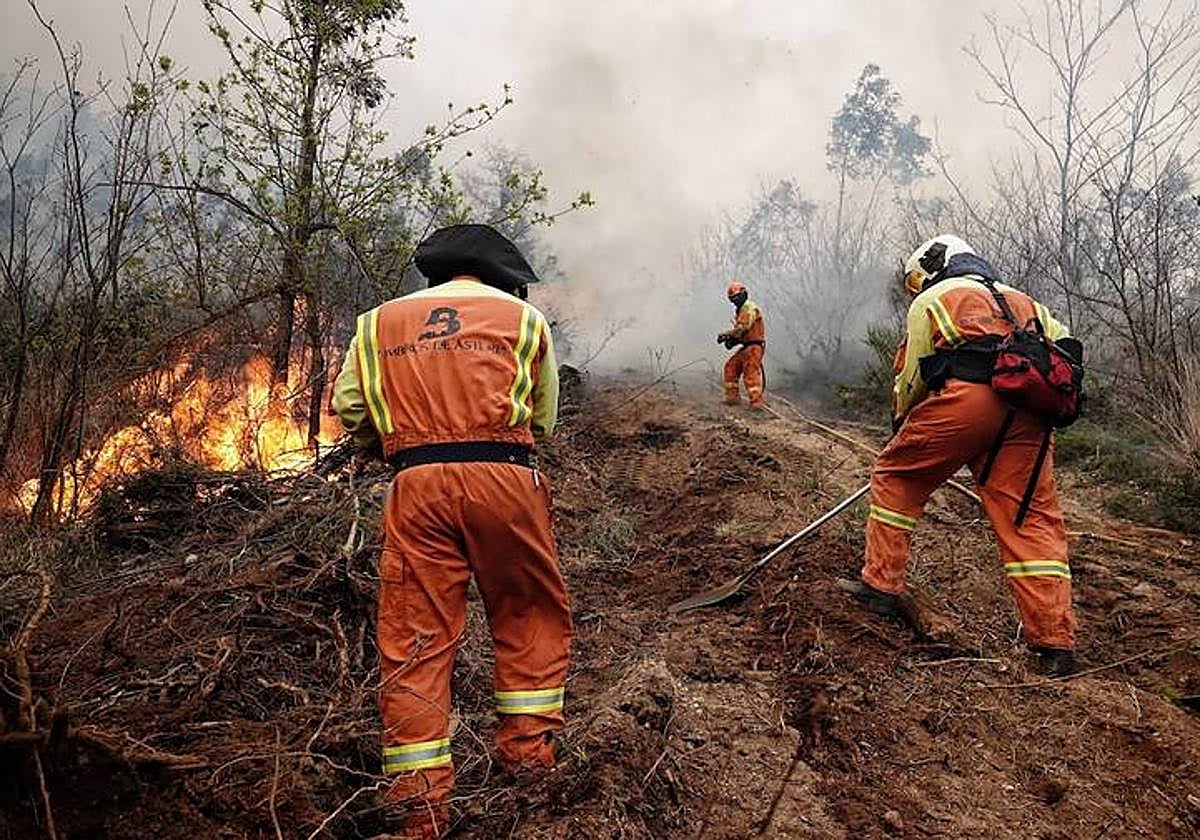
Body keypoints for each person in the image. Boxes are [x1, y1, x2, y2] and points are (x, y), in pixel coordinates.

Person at [331, 224, 572, 837]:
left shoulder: (376, 324)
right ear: (499, 276)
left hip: (416, 486)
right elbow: (541, 420)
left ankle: (420, 808)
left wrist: (397, 448)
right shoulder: (523, 321)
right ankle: (529, 762)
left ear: (434, 274)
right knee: (526, 612)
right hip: (506, 480)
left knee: (415, 636)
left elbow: (354, 411)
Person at [845, 234, 1078, 676]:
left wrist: (901, 423)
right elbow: (1067, 349)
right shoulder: (1025, 301)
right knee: (1029, 521)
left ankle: (880, 587)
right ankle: (1054, 644)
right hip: (1028, 416)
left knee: (897, 479)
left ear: (933, 266)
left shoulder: (934, 298)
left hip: (967, 403)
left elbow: (913, 375)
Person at [717, 281, 766, 408]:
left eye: (737, 297)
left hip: (754, 347)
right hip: (746, 347)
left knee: (750, 373)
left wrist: (726, 335)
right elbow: (742, 334)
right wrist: (732, 341)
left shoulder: (748, 307)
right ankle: (732, 399)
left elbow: (742, 329)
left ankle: (757, 404)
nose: (735, 301)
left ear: (744, 295)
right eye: (733, 299)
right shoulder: (741, 310)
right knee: (730, 367)